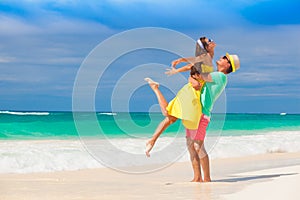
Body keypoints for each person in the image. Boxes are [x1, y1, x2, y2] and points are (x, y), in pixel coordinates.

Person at [146, 53, 240, 182]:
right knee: (191, 147)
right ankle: (197, 178)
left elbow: (198, 76)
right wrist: (190, 74)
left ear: (228, 65)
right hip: (194, 112)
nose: (221, 57)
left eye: (225, 58)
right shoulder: (213, 75)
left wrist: (188, 72)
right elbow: (195, 75)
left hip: (202, 114)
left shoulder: (221, 77)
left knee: (198, 146)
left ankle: (207, 178)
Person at [145, 37, 215, 157]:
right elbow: (193, 63)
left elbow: (190, 66)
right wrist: (180, 63)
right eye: (208, 41)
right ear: (205, 47)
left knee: (170, 118)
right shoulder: (205, 57)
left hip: (195, 92)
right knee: (169, 115)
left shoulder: (208, 57)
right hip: (190, 92)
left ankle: (152, 140)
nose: (211, 40)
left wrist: (179, 67)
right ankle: (152, 140)